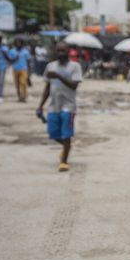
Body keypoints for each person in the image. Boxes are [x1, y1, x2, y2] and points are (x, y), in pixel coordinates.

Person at [37, 42, 83, 172]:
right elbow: (47, 88)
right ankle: (67, 146)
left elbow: (74, 85)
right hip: (54, 106)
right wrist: (40, 106)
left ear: (68, 51)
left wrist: (58, 76)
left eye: (63, 51)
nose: (60, 54)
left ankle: (64, 161)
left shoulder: (75, 66)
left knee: (66, 134)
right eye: (58, 51)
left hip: (69, 106)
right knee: (53, 134)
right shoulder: (50, 67)